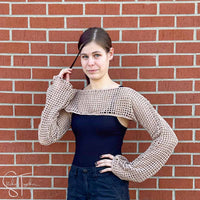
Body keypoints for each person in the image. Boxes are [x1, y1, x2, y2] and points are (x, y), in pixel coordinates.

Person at [38, 27, 178, 200]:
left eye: (97, 55)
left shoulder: (125, 96)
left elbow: (167, 138)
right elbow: (46, 137)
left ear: (110, 54)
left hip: (108, 184)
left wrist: (129, 169)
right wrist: (57, 93)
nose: (90, 63)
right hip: (76, 183)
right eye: (85, 56)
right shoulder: (75, 98)